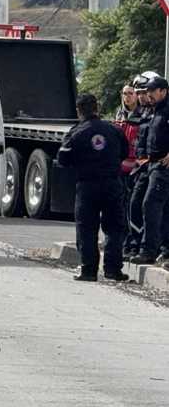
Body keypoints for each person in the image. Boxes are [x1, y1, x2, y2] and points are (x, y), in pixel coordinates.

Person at [56, 93, 129, 282]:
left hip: (87, 185)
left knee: (87, 228)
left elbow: (63, 160)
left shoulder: (75, 133)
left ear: (79, 111)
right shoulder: (113, 130)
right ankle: (113, 270)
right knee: (114, 228)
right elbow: (124, 153)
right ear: (97, 108)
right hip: (112, 183)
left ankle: (88, 270)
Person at [132, 76, 169, 266]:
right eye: (147, 92)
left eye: (152, 91)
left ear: (163, 91)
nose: (148, 95)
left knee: (150, 205)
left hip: (163, 167)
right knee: (159, 209)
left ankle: (148, 251)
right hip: (151, 165)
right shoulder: (155, 111)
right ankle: (164, 250)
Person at [121, 76, 155, 258]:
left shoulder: (158, 113)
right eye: (137, 93)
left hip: (149, 167)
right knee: (130, 206)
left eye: (142, 93)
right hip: (133, 167)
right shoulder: (128, 115)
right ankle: (131, 243)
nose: (139, 97)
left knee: (144, 206)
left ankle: (143, 246)